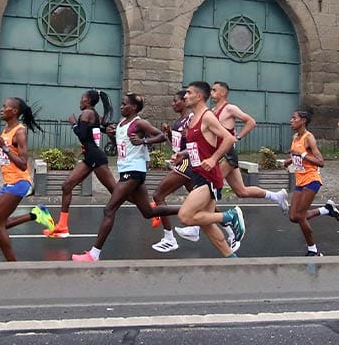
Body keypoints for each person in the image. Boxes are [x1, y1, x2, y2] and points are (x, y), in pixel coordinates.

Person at [73, 93, 181, 261]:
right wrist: (111, 135)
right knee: (148, 212)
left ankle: (94, 254)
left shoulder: (139, 123)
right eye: (121, 104)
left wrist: (144, 142)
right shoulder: (122, 124)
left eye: (124, 104)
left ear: (134, 107)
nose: (121, 107)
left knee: (109, 210)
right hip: (126, 170)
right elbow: (122, 146)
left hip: (134, 171)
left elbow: (161, 135)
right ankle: (189, 209)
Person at [0, 97, 57, 262]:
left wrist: (4, 148)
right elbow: (9, 150)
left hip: (19, 183)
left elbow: (23, 164)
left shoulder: (20, 132)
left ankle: (13, 264)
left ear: (14, 111)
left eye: (4, 106)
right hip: (8, 182)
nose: (1, 109)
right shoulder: (7, 129)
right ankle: (35, 215)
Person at [176, 80, 244, 258]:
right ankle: (232, 259)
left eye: (189, 93)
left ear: (199, 96)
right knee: (207, 225)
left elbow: (229, 139)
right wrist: (183, 154)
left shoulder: (207, 116)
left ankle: (230, 216)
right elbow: (198, 147)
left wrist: (214, 159)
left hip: (208, 178)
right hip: (198, 174)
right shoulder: (193, 118)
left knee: (185, 216)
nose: (185, 96)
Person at [45, 89, 116, 238]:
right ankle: (62, 225)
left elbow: (82, 134)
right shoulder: (94, 114)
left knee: (117, 192)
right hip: (89, 158)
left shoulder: (87, 113)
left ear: (88, 101)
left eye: (82, 98)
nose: (80, 100)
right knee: (67, 186)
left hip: (95, 158)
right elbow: (98, 129)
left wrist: (73, 124)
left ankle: (150, 209)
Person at [211, 81, 289, 211]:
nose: (211, 93)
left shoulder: (230, 108)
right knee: (241, 191)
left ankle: (198, 224)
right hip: (220, 153)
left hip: (227, 155)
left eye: (214, 90)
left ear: (223, 93)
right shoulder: (213, 111)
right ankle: (276, 196)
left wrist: (238, 137)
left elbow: (251, 122)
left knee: (210, 185)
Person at [150, 89, 204, 253]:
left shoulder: (191, 119)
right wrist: (168, 134)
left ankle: (169, 238)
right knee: (202, 203)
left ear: (184, 102)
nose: (173, 104)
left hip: (187, 163)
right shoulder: (178, 122)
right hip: (181, 163)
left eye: (176, 101)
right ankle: (229, 224)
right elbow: (176, 148)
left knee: (158, 195)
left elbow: (194, 144)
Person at [287, 109, 339, 256]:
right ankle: (326, 210)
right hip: (300, 180)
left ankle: (313, 250)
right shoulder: (295, 137)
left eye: (294, 118)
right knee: (293, 217)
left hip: (312, 179)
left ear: (303, 121)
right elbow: (297, 156)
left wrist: (302, 154)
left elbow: (320, 162)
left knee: (300, 216)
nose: (291, 120)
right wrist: (289, 161)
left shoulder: (309, 138)